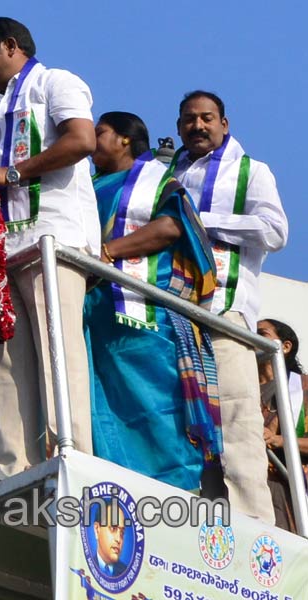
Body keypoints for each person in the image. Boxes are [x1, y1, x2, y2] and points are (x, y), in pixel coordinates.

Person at [0, 17, 100, 486]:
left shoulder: (55, 81)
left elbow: (82, 140)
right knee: (5, 359)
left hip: (52, 237)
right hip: (2, 247)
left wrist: (13, 173)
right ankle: (10, 467)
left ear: (10, 46)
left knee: (57, 349)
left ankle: (69, 457)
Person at [85, 112, 221, 491]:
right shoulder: (87, 184)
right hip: (96, 317)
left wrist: (107, 252)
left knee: (153, 402)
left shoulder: (158, 179)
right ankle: (117, 483)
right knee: (104, 403)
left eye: (100, 133)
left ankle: (176, 488)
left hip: (142, 315)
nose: (92, 141)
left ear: (126, 139)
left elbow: (170, 226)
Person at [172, 90, 289, 522]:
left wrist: (200, 221)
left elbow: (275, 232)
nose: (197, 126)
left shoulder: (251, 171)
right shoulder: (168, 172)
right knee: (181, 416)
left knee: (238, 419)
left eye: (206, 118)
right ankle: (195, 516)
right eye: (188, 119)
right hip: (172, 312)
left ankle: (254, 525)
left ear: (225, 123)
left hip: (225, 310)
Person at [258, 318, 307, 531]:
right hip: (235, 486)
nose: (252, 338)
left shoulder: (302, 388)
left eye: (262, 333)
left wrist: (278, 439)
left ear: (285, 347)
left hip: (283, 491)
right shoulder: (237, 386)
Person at [93, 506, 127, 577]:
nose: (118, 539)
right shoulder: (85, 564)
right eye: (113, 529)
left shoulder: (125, 572)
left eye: (122, 533)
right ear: (97, 529)